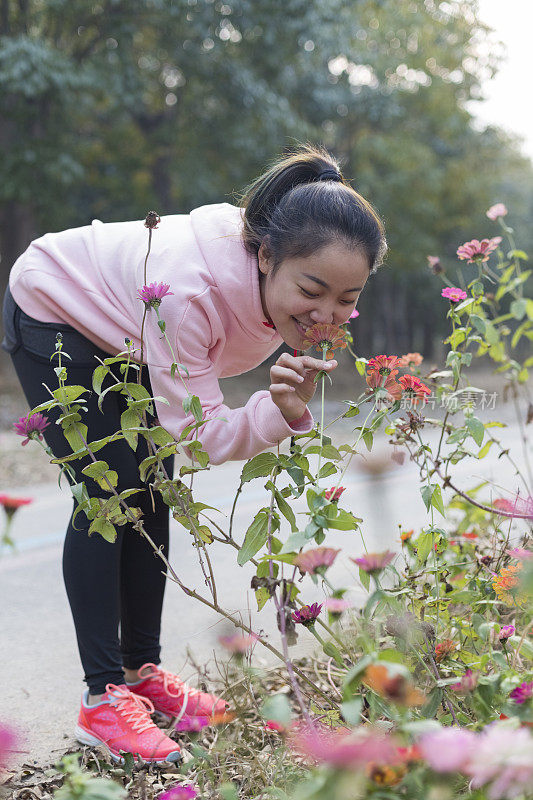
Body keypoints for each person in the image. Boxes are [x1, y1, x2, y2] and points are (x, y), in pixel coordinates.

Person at [1, 142, 386, 762]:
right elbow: (199, 435)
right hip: (55, 309)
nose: (326, 315)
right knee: (108, 494)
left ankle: (140, 674)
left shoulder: (267, 285)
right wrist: (275, 412)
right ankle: (102, 700)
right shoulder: (190, 293)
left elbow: (185, 426)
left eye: (347, 299)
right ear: (264, 256)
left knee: (153, 484)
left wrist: (274, 404)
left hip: (127, 335)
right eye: (313, 290)